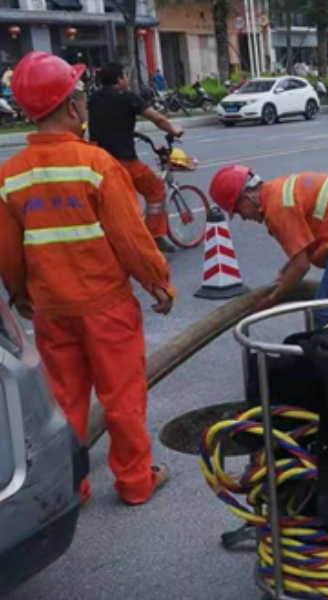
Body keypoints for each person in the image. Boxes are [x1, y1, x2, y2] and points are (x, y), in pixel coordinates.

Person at [0, 51, 175, 506]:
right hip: (105, 305)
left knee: (65, 400)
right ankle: (135, 481)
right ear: (72, 107)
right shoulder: (95, 165)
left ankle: (72, 486)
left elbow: (8, 252)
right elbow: (130, 238)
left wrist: (20, 295)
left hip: (52, 309)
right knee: (122, 397)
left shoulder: (10, 175)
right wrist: (158, 281)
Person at [207, 167, 328, 327]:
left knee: (326, 312)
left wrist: (274, 299)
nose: (244, 218)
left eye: (239, 211)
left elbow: (301, 266)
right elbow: (301, 253)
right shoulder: (276, 191)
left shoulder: (277, 209)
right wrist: (284, 274)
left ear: (248, 197)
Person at [88, 62, 183, 254]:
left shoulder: (94, 98)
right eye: (125, 76)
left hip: (96, 161)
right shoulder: (128, 97)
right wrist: (175, 129)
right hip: (123, 161)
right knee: (155, 190)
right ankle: (155, 236)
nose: (127, 80)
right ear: (119, 79)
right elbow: (157, 118)